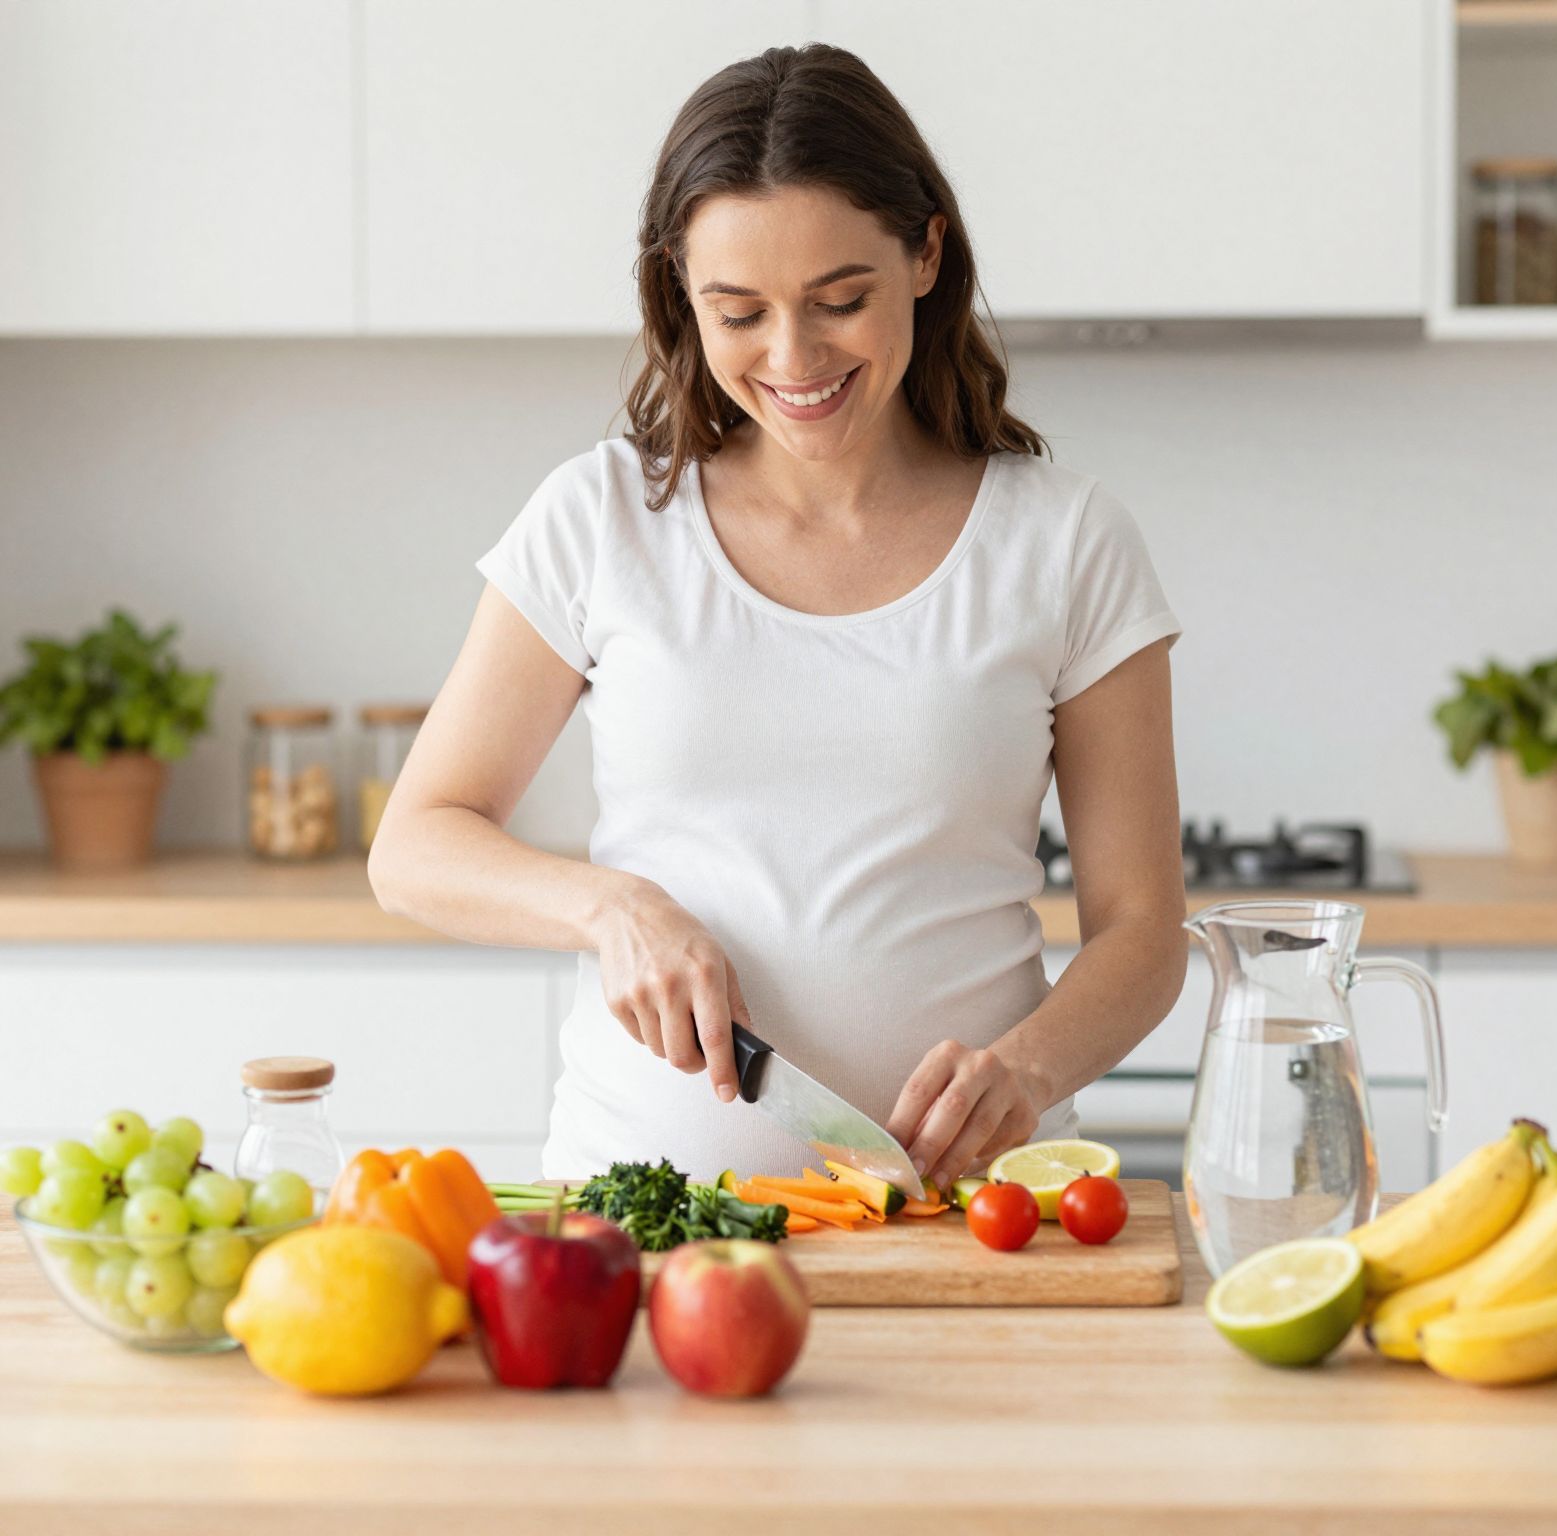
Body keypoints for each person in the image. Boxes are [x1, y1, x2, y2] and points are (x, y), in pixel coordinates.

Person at [369, 44, 1186, 1191]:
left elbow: (1144, 933)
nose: (793, 358)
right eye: (738, 311)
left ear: (925, 255)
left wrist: (1029, 1069)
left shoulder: (1063, 541)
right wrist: (613, 910)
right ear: (679, 295)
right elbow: (413, 846)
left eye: (839, 300)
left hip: (960, 1218)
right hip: (643, 1219)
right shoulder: (602, 518)